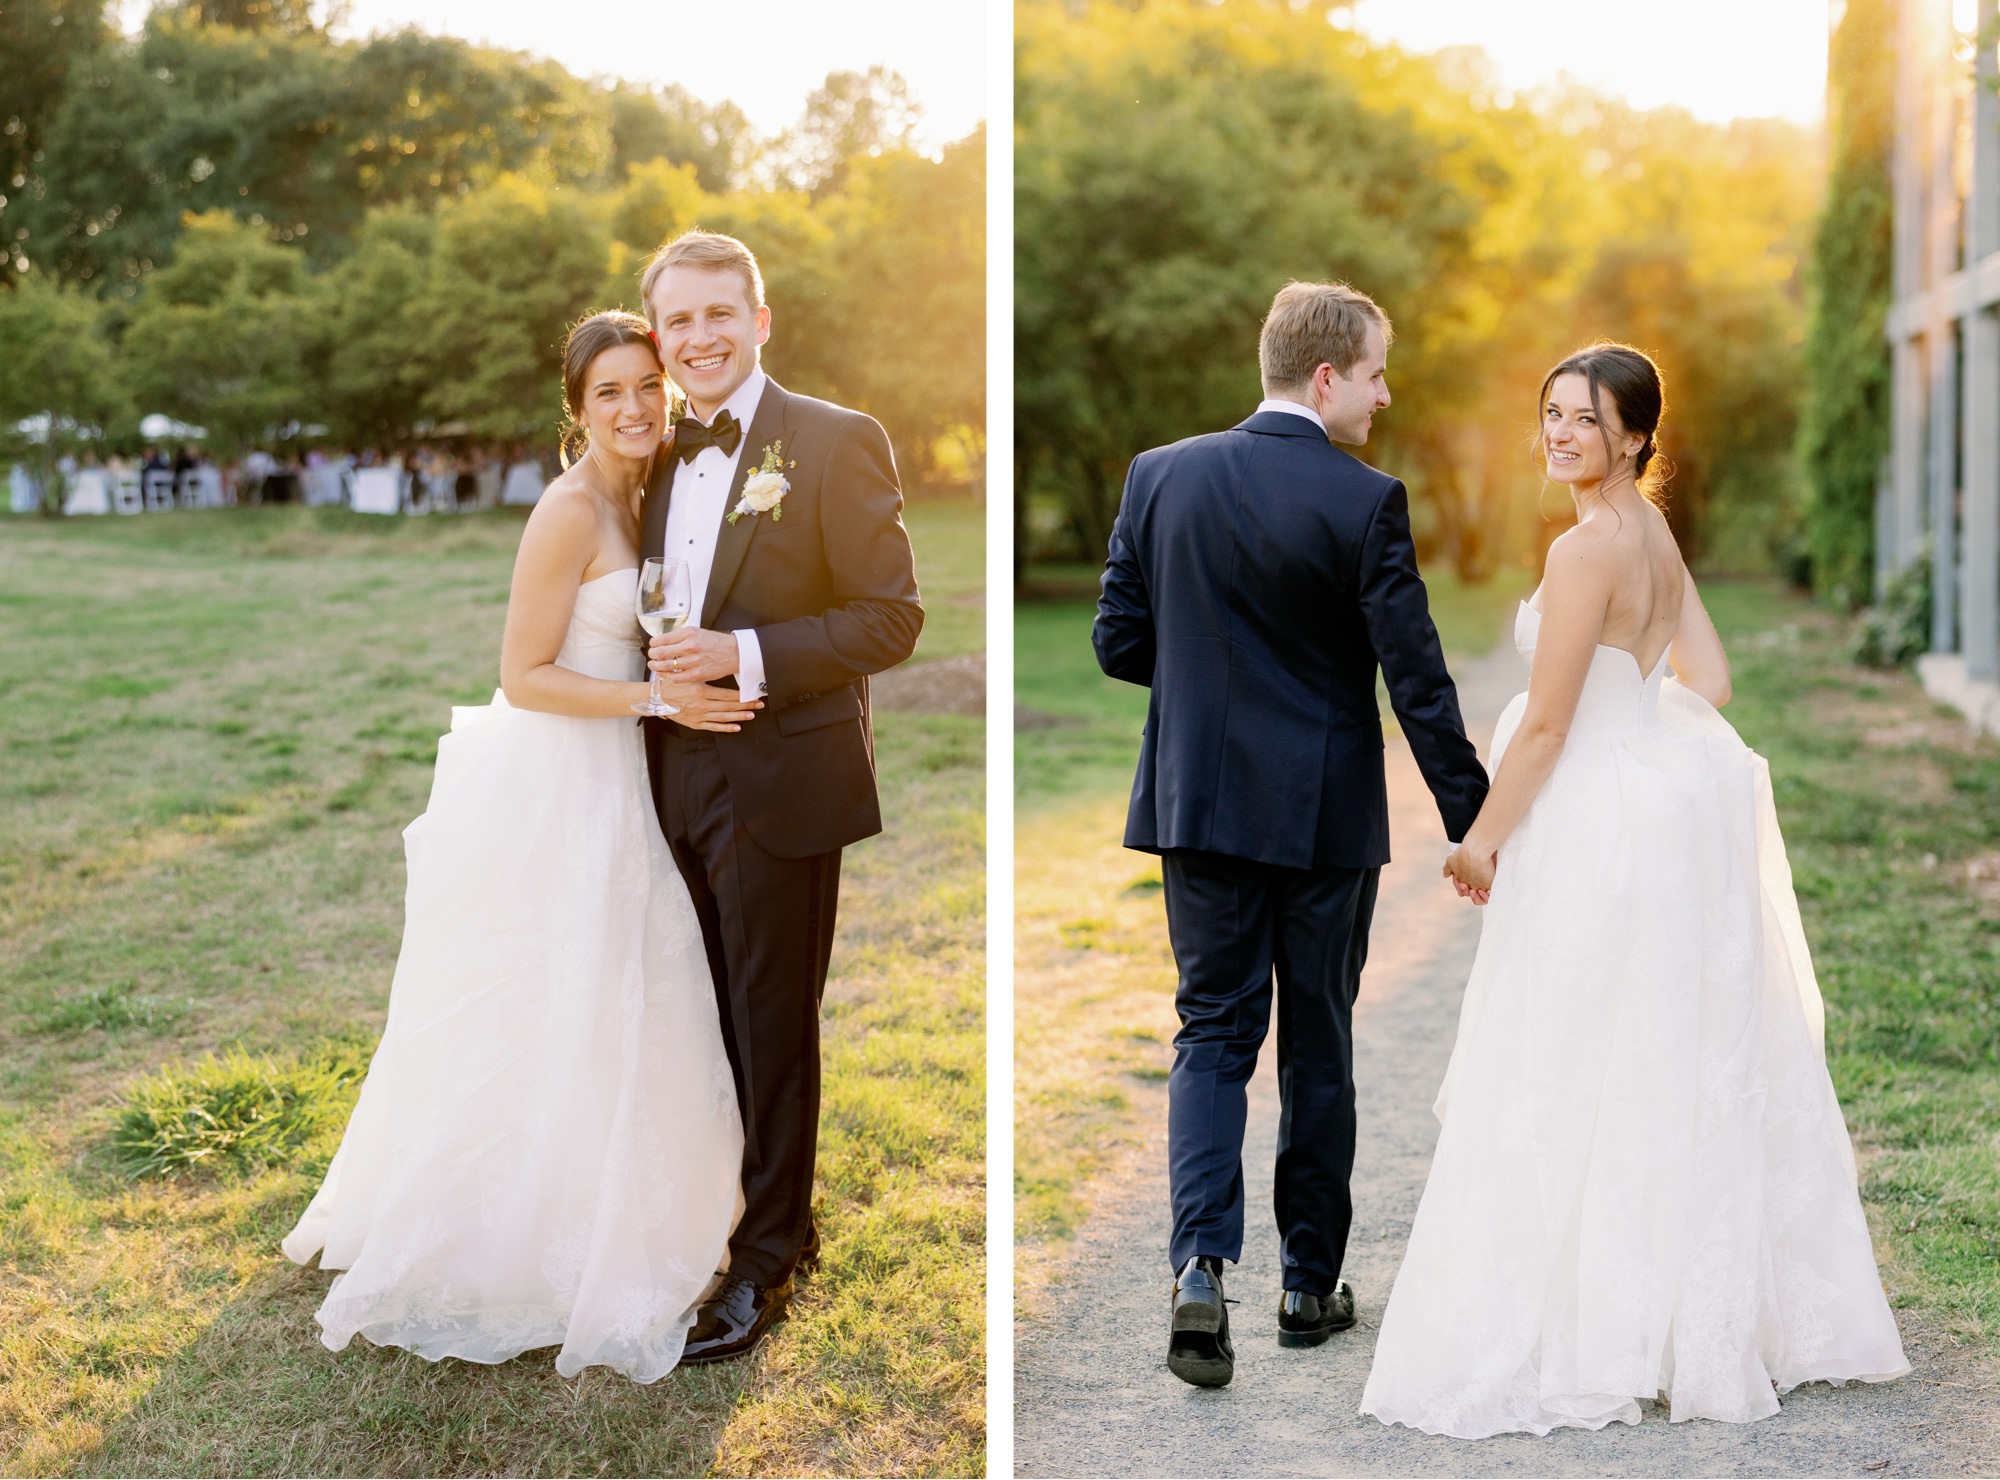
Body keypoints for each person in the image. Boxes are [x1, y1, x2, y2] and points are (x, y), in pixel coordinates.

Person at [1359, 343, 1910, 1437]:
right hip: (1651, 817)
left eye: (1585, 419)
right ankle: (1670, 1323)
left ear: (1633, 437)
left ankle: (1592, 1327)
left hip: (1589, 829)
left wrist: (1475, 844)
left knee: (1570, 1057)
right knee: (1652, 1060)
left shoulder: (1581, 551)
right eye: (1549, 412)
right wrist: (1648, 735)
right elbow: (1705, 681)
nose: (1559, 433)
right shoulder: (1650, 531)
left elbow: (1553, 724)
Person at [281, 312, 745, 1383]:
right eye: (607, 396)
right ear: (574, 412)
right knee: (547, 987)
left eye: (645, 387)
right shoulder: (568, 509)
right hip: (560, 773)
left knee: (629, 979)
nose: (633, 408)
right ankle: (515, 1235)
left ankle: (632, 1196)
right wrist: (656, 701)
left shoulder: (654, 488)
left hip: (622, 769)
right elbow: (526, 671)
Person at [1093, 281, 1491, 1388]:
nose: (1383, 391)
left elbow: (1118, 639)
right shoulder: (1365, 499)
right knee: (1315, 1038)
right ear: (1325, 377)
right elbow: (1416, 683)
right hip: (1322, 819)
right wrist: (1483, 823)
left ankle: (1196, 1275)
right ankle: (1308, 1286)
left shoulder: (1157, 475)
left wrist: (1211, 692)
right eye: (1373, 372)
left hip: (1200, 809)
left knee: (1211, 1033)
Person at [635, 229, 924, 1362]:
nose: (698, 338)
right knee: (695, 1014)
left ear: (760, 320)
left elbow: (888, 618)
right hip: (662, 772)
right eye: (677, 322)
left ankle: (768, 1255)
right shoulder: (647, 446)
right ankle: (727, 1206)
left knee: (768, 1019)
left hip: (779, 773)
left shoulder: (834, 439)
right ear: (657, 338)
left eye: (718, 314)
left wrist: (738, 653)